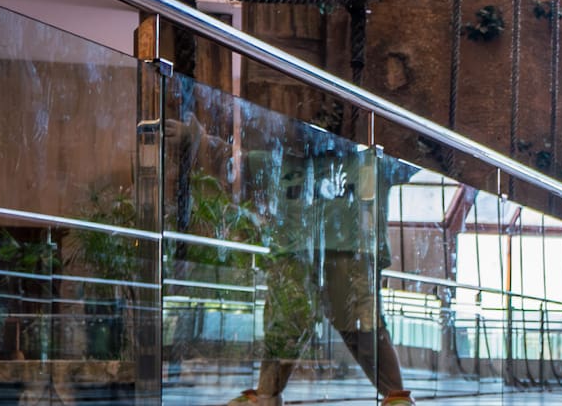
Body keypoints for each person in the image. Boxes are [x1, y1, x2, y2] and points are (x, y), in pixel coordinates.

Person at [177, 115, 416, 406]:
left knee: (363, 327)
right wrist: (196, 138)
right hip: (297, 254)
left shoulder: (369, 162)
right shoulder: (282, 162)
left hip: (347, 253)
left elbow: (414, 154)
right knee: (285, 327)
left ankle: (394, 394)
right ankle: (266, 394)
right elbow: (230, 160)